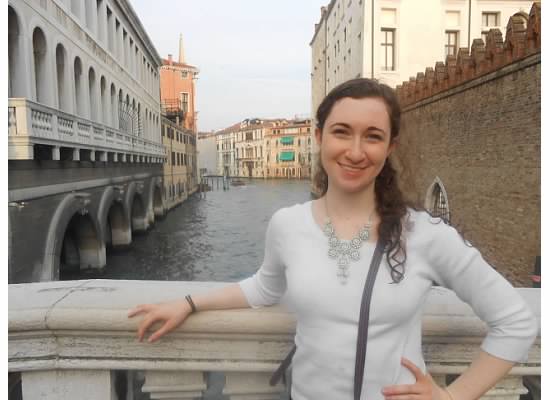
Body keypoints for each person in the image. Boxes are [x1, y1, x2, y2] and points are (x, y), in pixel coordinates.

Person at [128, 78, 538, 400]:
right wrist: (188, 303)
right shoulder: (287, 224)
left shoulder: (424, 234)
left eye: (372, 136)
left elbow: (516, 322)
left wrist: (452, 396)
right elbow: (264, 288)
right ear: (319, 136)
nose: (355, 152)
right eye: (342, 132)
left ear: (389, 147)